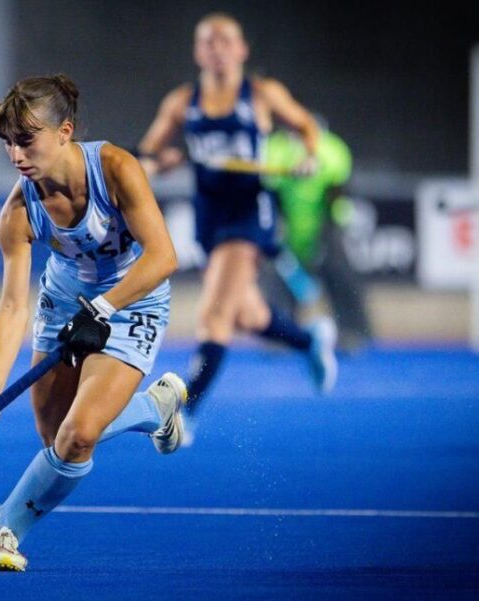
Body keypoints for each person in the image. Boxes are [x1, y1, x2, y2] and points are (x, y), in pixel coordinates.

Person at [0, 74, 187, 572]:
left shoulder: (114, 169)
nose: (17, 155)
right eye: (8, 143)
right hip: (64, 304)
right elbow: (12, 307)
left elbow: (163, 257)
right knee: (56, 441)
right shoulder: (19, 213)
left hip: (134, 300)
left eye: (27, 139)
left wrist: (103, 309)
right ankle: (154, 407)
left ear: (65, 132)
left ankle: (4, 530)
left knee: (78, 436)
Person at [137, 13, 338, 420]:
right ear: (198, 52)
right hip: (209, 217)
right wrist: (163, 162)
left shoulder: (262, 94)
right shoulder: (181, 103)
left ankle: (184, 410)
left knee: (214, 314)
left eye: (226, 41)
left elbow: (304, 126)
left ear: (242, 49)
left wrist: (308, 157)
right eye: (208, 42)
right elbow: (146, 157)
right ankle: (309, 341)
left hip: (249, 215)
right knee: (249, 315)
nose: (218, 49)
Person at [261, 124, 372, 351]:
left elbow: (337, 193)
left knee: (340, 274)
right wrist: (278, 227)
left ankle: (352, 332)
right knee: (277, 279)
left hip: (326, 226)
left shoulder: (332, 149)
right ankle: (282, 334)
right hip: (288, 229)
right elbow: (271, 193)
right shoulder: (274, 149)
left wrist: (326, 234)